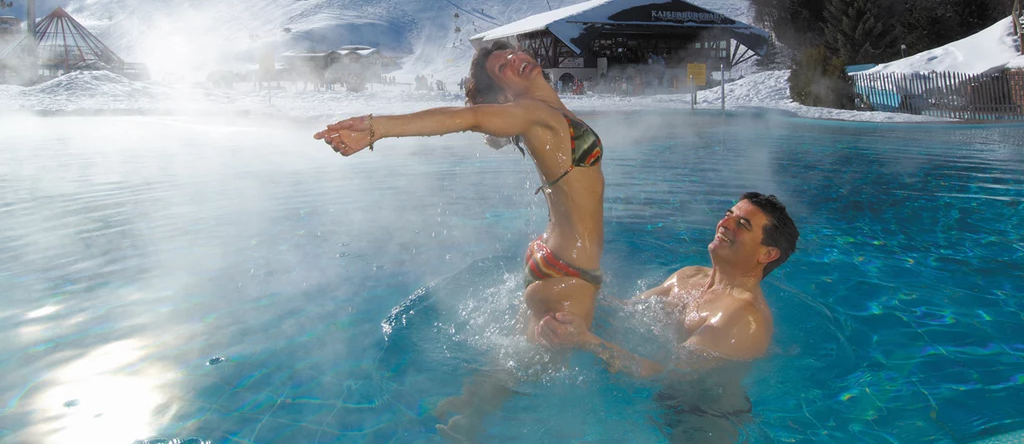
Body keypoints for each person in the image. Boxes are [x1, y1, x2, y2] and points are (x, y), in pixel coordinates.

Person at [314, 40, 605, 438]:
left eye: (512, 56)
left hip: (550, 258)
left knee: (519, 356)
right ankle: (466, 426)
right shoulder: (533, 113)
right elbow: (468, 118)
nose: (514, 62)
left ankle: (466, 405)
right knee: (538, 372)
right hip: (569, 271)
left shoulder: (547, 112)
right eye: (502, 67)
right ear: (503, 92)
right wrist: (379, 128)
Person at [538, 193, 798, 440]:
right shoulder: (688, 276)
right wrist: (570, 280)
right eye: (728, 214)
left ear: (767, 254)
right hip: (661, 401)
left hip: (705, 419)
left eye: (742, 224)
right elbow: (624, 312)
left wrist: (584, 340)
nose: (724, 223)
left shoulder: (743, 317)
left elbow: (667, 374)